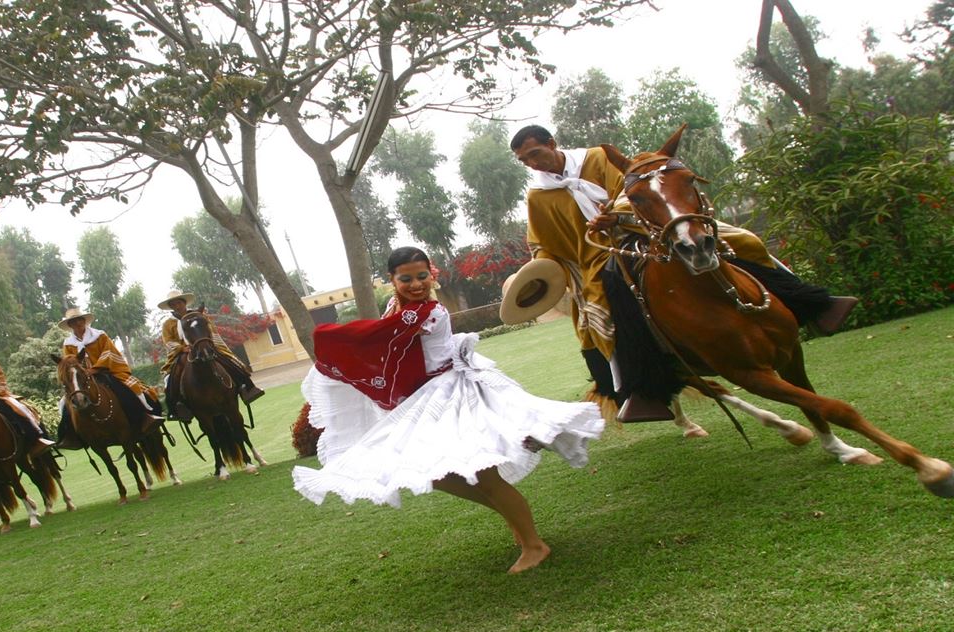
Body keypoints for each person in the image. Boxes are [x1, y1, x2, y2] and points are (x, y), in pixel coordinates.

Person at [508, 124, 857, 421]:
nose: (532, 163)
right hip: (601, 254)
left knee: (745, 240)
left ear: (552, 144)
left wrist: (614, 213)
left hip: (646, 226)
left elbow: (639, 184)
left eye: (535, 154)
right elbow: (541, 240)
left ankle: (814, 305)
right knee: (600, 316)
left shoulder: (597, 158)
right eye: (524, 161)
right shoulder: (537, 195)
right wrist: (543, 264)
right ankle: (636, 389)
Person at [292, 247, 605, 574]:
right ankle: (514, 520)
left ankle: (534, 545)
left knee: (484, 473)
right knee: (437, 475)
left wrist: (331, 339)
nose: (416, 284)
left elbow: (378, 337)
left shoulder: (427, 313)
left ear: (433, 274)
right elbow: (387, 340)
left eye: (422, 276)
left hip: (453, 395)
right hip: (428, 398)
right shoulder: (398, 308)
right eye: (406, 278)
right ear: (391, 280)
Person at [56, 307, 163, 449]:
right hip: (82, 379)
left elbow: (109, 353)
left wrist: (94, 369)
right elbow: (68, 362)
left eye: (79, 320)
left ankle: (146, 416)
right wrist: (81, 373)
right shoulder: (68, 344)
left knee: (132, 388)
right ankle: (70, 436)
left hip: (106, 372)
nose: (77, 324)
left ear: (84, 321)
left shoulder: (100, 335)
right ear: (70, 325)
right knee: (64, 403)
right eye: (73, 322)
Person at [158, 289, 265, 422]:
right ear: (170, 307)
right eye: (173, 304)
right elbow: (167, 341)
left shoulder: (199, 315)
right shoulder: (168, 324)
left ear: (184, 302)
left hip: (204, 346)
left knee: (231, 362)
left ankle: (247, 388)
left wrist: (209, 343)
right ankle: (176, 408)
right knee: (169, 378)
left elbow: (211, 331)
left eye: (179, 302)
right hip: (183, 352)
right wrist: (181, 348)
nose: (177, 306)